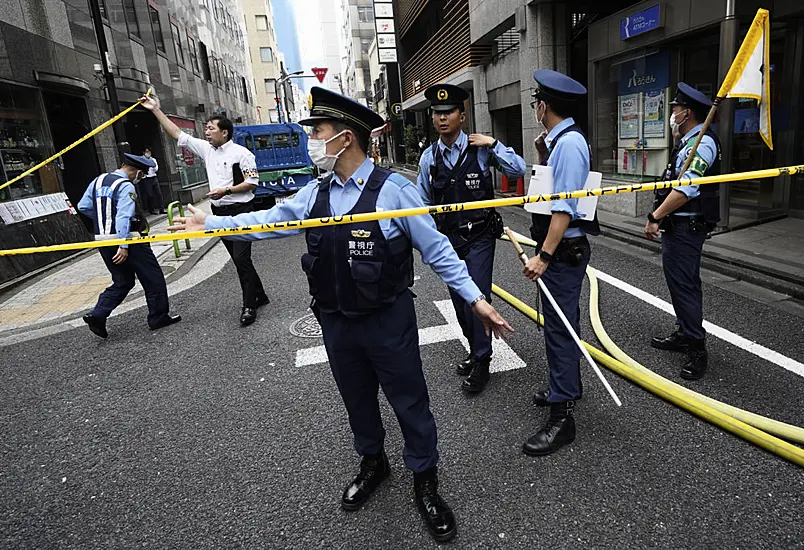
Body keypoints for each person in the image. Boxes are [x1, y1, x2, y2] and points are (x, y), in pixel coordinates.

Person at [169, 87, 514, 542]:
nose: (312, 139)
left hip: (388, 321)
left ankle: (425, 479)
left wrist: (476, 299)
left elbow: (440, 252)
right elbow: (267, 222)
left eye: (318, 131)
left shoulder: (396, 192)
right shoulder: (314, 194)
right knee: (357, 400)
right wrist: (210, 224)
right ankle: (374, 461)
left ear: (345, 138)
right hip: (335, 320)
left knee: (409, 402)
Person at [417, 83, 526, 393]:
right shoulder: (430, 158)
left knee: (475, 296)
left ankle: (482, 359)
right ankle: (474, 348)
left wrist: (495, 144)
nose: (441, 118)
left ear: (462, 116)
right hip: (448, 240)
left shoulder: (480, 149)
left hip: (479, 236)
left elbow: (518, 171)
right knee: (459, 301)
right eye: (437, 113)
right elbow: (423, 204)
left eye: (448, 112)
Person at [520, 70, 600, 457]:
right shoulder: (558, 144)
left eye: (536, 101)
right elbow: (549, 189)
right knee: (560, 325)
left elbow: (564, 209)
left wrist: (543, 256)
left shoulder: (569, 145)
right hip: (561, 251)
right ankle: (565, 388)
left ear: (544, 105)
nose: (535, 107)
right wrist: (540, 155)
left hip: (563, 253)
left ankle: (562, 417)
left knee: (560, 330)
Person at [141, 94, 269, 326]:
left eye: (211, 128)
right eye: (206, 128)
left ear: (225, 133)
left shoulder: (242, 154)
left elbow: (252, 183)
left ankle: (249, 305)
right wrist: (156, 110)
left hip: (242, 211)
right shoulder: (207, 149)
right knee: (238, 259)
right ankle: (259, 295)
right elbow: (177, 134)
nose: (206, 132)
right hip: (219, 213)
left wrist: (226, 191)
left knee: (241, 258)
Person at [644, 83, 721, 381]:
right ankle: (684, 332)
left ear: (687, 112)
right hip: (680, 226)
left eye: (675, 108)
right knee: (678, 283)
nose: (672, 112)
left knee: (685, 285)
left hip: (687, 227)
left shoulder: (700, 143)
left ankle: (696, 347)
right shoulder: (688, 140)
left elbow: (686, 188)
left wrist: (655, 216)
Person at [77, 153, 181, 338]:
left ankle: (98, 314)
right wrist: (123, 245)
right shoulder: (126, 186)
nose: (139, 179)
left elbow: (83, 206)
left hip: (103, 239)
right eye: (141, 176)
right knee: (153, 277)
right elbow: (124, 216)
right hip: (129, 240)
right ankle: (158, 317)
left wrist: (104, 220)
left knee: (122, 280)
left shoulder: (98, 180)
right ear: (138, 172)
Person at [139, 146, 162, 215]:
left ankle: (161, 209)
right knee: (150, 195)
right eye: (146, 151)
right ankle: (151, 210)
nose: (148, 153)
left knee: (158, 194)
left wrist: (151, 163)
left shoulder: (153, 159)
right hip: (146, 179)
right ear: (143, 152)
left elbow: (156, 169)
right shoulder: (141, 159)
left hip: (154, 177)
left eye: (149, 151)